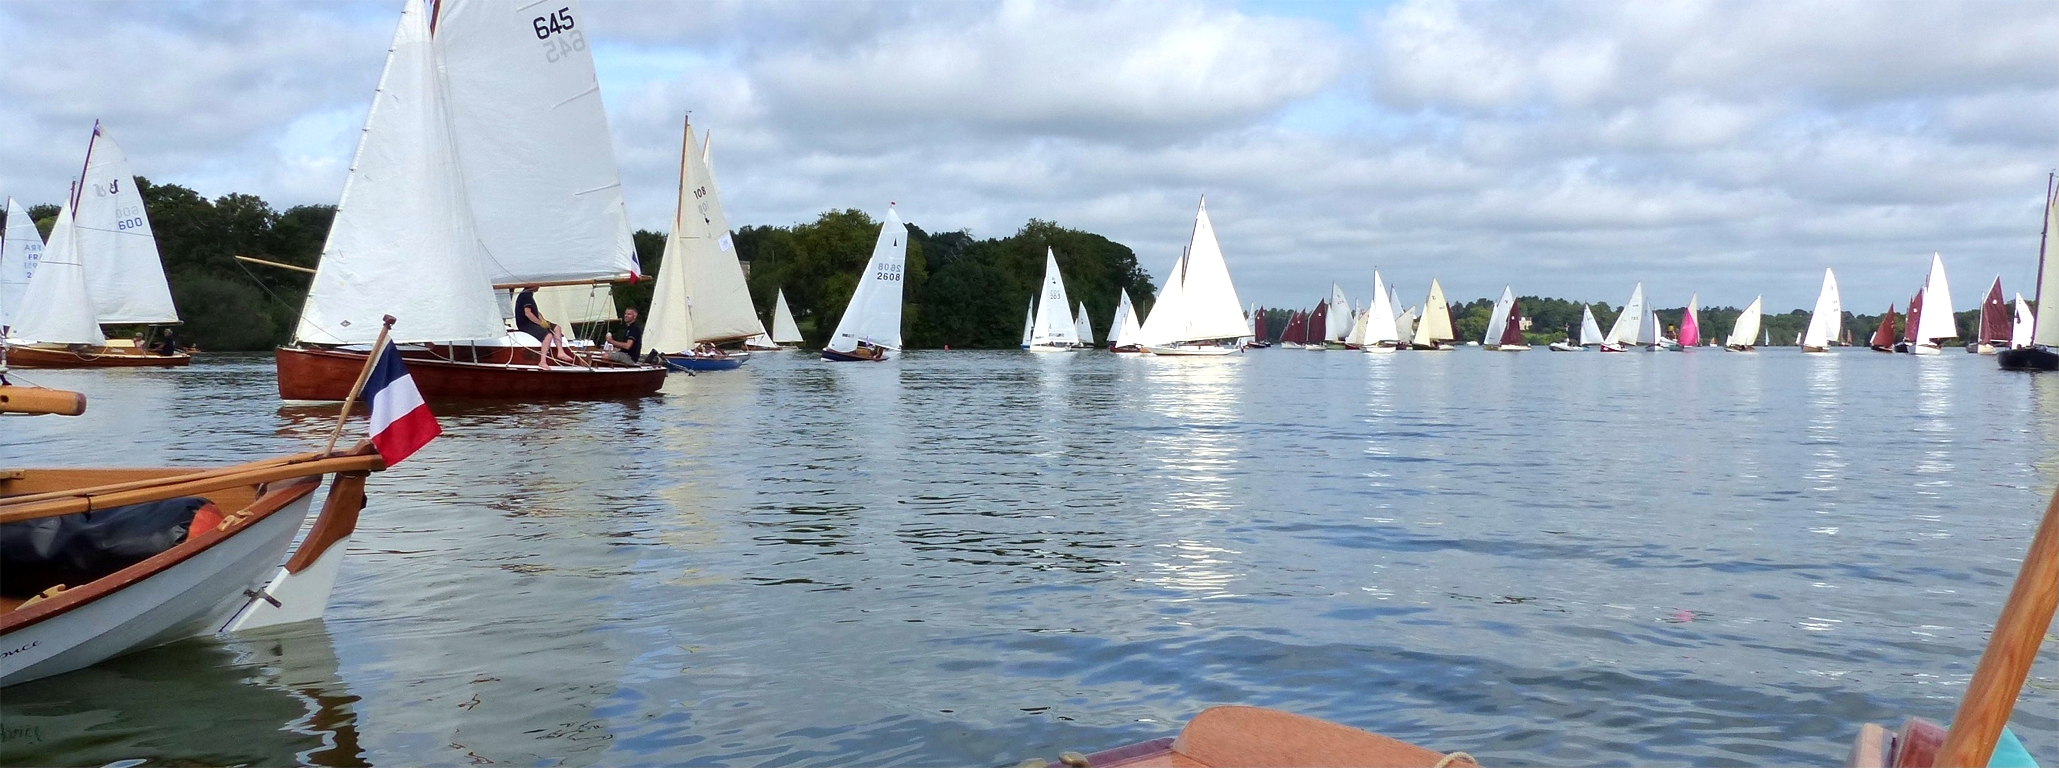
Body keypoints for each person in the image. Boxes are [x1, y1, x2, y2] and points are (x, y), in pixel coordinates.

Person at [513, 285, 570, 367]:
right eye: (537, 285)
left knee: (557, 328)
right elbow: (528, 313)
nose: (539, 286)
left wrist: (543, 321)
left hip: (534, 322)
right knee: (548, 335)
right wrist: (540, 323)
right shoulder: (525, 295)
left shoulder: (529, 295)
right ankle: (542, 361)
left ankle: (560, 352)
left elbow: (536, 312)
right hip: (526, 324)